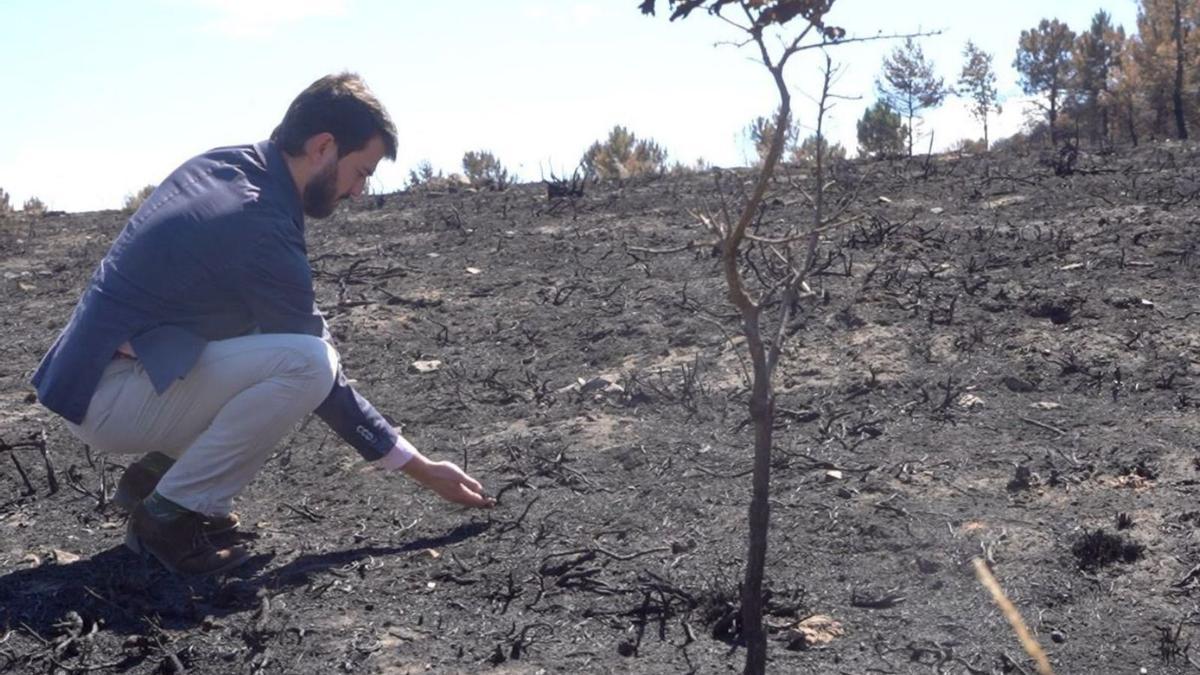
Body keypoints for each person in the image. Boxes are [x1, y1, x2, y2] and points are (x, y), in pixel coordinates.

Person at [31, 72, 493, 577]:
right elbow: (320, 370)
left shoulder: (227, 166)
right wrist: (421, 469)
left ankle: (156, 480)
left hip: (96, 381)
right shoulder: (258, 222)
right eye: (361, 172)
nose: (359, 191)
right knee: (306, 365)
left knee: (277, 350)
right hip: (111, 399)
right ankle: (168, 516)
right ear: (323, 147)